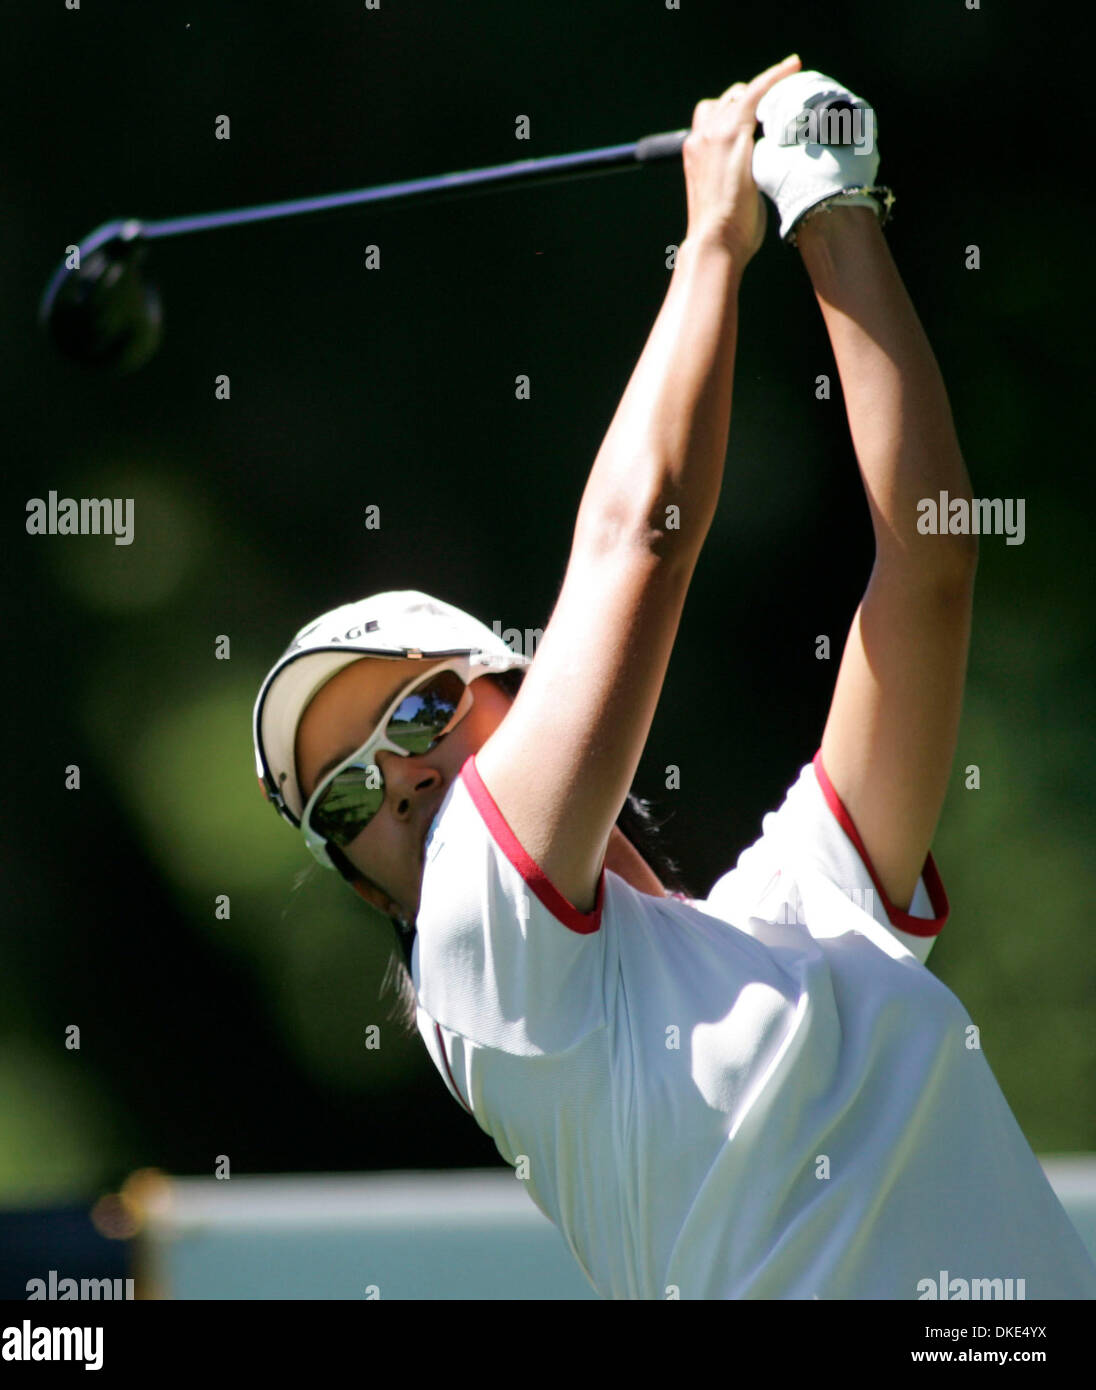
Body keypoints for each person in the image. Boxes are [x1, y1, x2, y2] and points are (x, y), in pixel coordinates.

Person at [253, 58, 1096, 1299]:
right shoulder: (476, 961)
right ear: (368, 887)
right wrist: (712, 237)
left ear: (515, 685)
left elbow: (928, 561)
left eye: (419, 710)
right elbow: (637, 535)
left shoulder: (803, 903)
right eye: (344, 804)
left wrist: (830, 207)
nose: (399, 784)